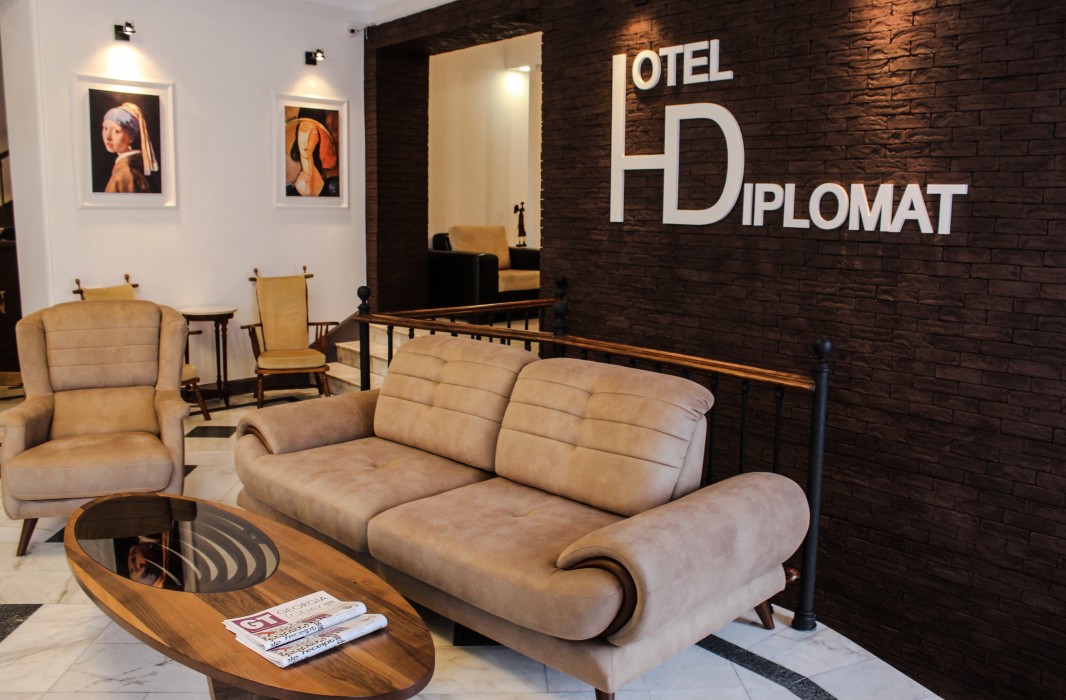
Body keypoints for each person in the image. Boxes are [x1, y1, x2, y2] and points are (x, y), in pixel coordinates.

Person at [100, 102, 159, 193]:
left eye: (116, 131)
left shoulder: (126, 173)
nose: (107, 137)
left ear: (131, 138)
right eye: (105, 128)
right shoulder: (126, 167)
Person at [285, 114, 339, 197]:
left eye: (313, 132)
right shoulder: (288, 191)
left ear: (318, 139)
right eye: (303, 130)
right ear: (297, 134)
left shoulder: (332, 187)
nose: (306, 139)